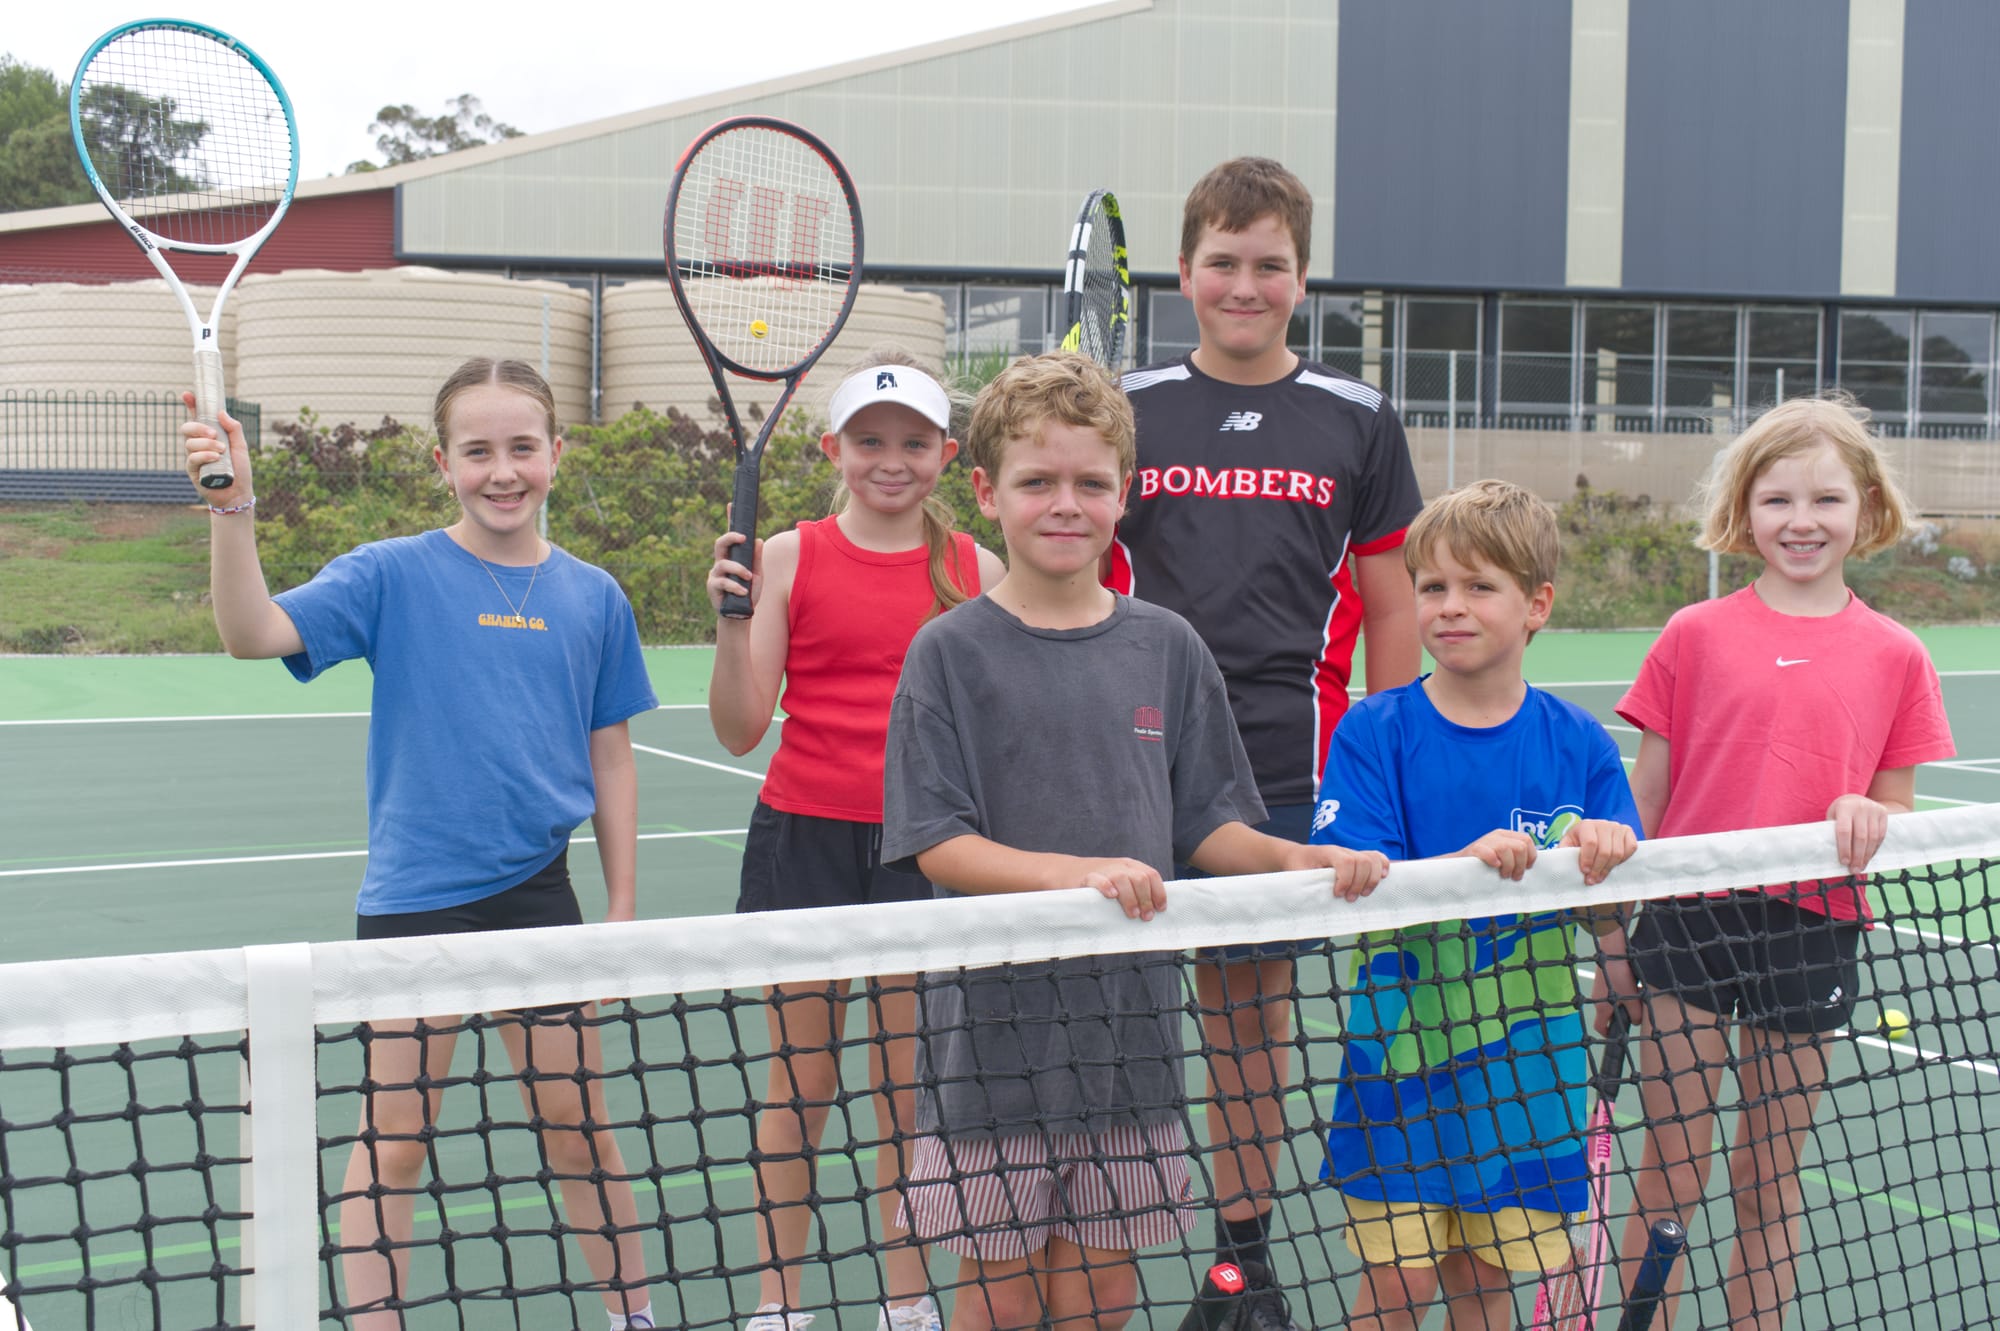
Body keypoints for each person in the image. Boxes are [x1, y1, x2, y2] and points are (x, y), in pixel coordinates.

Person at [881, 352, 1390, 1331]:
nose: (1062, 503)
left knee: (1101, 1297)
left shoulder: (1166, 644)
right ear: (986, 492)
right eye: (1036, 481)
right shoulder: (947, 652)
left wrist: (1295, 859)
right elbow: (937, 841)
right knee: (1000, 1300)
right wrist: (1075, 877)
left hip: (1132, 1042)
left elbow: (1208, 822)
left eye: (1088, 482)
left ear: (1125, 492)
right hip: (991, 1050)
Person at [179, 357, 658, 1330]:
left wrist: (617, 911)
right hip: (414, 902)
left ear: (555, 454)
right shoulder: (390, 573)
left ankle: (632, 1314)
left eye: (521, 447)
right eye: (477, 450)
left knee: (579, 1125)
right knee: (395, 1138)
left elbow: (610, 759)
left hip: (541, 898)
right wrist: (234, 512)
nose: (501, 470)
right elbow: (251, 630)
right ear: (443, 462)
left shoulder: (595, 596)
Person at [1107, 155, 1426, 1307]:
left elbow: (1392, 604)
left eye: (1269, 265)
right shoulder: (1127, 410)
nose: (1245, 283)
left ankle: (1237, 1256)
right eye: (1222, 261)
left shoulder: (1355, 419)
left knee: (1247, 1027)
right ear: (1185, 271)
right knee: (1117, 1014)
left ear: (1301, 277)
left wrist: (1382, 760)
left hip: (1285, 769)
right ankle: (1094, 1258)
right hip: (1131, 763)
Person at [1609, 394, 1954, 1330]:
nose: (1801, 521)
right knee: (1670, 1174)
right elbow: (1643, 804)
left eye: (1826, 500)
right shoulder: (1692, 633)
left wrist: (1863, 808)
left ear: (1867, 508)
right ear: (1744, 510)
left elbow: (1895, 807)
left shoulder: (1899, 655)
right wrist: (1602, 930)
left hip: (1813, 931)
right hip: (1687, 926)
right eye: (1777, 500)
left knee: (1769, 1177)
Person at [706, 351, 1006, 1331]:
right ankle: (776, 1303)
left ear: (945, 453)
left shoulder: (979, 570)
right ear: (833, 448)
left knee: (906, 1094)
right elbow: (740, 726)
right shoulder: (787, 555)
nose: (890, 459)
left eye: (912, 441)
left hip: (926, 851)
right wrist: (728, 621)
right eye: (869, 440)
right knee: (799, 1084)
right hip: (805, 842)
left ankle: (906, 1299)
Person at [1310, 479, 1641, 1330]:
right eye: (1433, 588)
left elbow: (1611, 917)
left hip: (1531, 1077)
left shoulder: (1582, 745)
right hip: (1401, 1066)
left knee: (1487, 1288)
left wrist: (1601, 864)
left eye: (1479, 586)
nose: (1451, 607)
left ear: (1537, 605)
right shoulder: (1372, 731)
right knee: (1396, 1289)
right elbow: (1357, 882)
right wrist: (1459, 866)